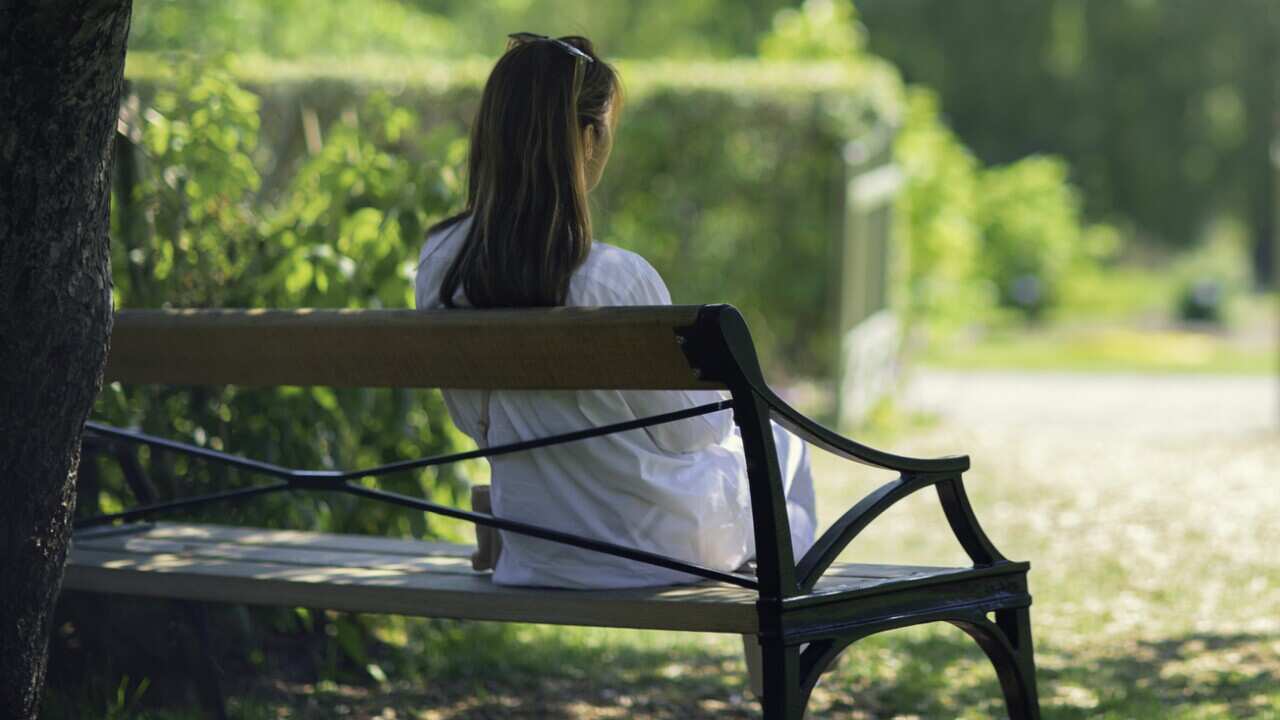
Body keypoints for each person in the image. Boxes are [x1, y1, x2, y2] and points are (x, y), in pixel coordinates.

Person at [414, 33, 816, 590]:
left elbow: (472, 423)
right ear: (585, 137)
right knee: (784, 454)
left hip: (535, 547)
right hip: (659, 548)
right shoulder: (613, 277)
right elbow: (692, 433)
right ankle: (778, 664)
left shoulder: (439, 266)